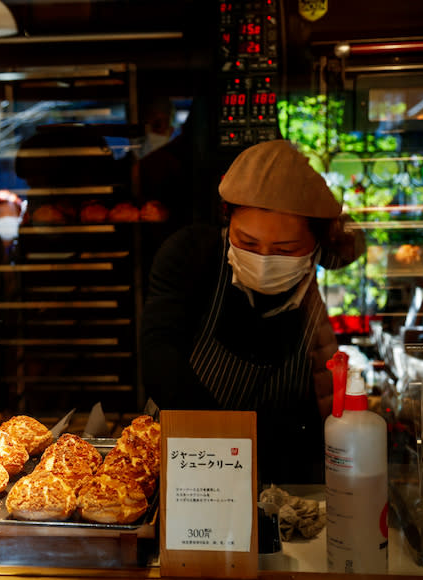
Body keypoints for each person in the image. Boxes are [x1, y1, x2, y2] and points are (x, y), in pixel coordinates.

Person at [140, 140, 365, 484]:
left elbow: (354, 244)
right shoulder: (190, 254)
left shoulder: (323, 258)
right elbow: (160, 357)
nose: (263, 259)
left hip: (285, 462)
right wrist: (228, 449)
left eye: (285, 249)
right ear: (227, 218)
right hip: (188, 452)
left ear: (315, 244)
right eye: (247, 242)